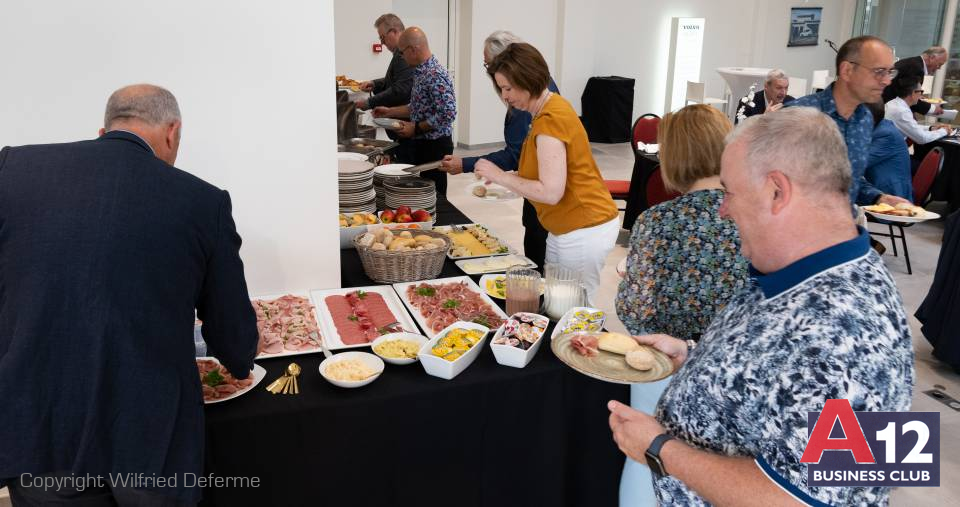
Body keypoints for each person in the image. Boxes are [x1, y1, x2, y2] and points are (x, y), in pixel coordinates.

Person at [608, 107, 914, 506]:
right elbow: (776, 373)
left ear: (776, 191)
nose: (722, 209)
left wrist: (660, 448)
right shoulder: (798, 268)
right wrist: (693, 356)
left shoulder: (854, 328)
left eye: (730, 192)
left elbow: (810, 499)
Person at [0, 84, 259, 505]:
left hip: (39, 419)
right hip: (149, 433)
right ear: (172, 132)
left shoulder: (13, 168)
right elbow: (231, 333)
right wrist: (241, 356)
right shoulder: (201, 200)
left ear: (103, 131)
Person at [614, 104, 749, 506]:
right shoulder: (750, 215)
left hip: (662, 368)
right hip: (731, 376)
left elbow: (634, 312)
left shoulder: (657, 221)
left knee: (646, 464)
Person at [478, 43, 619, 304]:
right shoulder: (546, 109)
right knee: (556, 303)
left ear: (527, 80)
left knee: (574, 310)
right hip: (567, 226)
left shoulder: (550, 119)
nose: (505, 96)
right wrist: (513, 177)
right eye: (501, 88)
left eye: (508, 88)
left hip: (582, 225)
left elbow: (551, 192)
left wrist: (500, 175)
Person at [438, 30, 559, 269]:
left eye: (488, 66)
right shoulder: (542, 93)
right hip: (544, 203)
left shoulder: (536, 107)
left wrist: (472, 165)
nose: (502, 92)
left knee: (539, 258)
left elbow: (516, 155)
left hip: (549, 210)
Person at [791, 36, 910, 208]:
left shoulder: (864, 119)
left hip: (842, 228)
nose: (887, 81)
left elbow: (848, 180)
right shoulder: (798, 115)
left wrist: (877, 197)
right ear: (847, 70)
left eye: (890, 72)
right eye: (879, 72)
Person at [372, 27, 456, 196]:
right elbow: (416, 106)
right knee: (420, 193)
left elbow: (448, 113)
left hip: (435, 145)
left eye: (402, 53)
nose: (401, 57)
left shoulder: (434, 74)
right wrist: (389, 111)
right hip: (422, 144)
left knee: (434, 195)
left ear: (413, 49)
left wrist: (415, 128)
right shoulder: (420, 71)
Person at [357, 13, 414, 163]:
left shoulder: (403, 54)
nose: (382, 43)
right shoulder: (400, 54)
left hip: (407, 127)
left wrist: (370, 102)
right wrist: (375, 84)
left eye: (382, 38)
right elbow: (395, 81)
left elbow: (400, 89)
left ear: (394, 31)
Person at [864, 101, 913, 201]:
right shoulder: (879, 127)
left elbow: (857, 163)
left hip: (890, 195)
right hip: (876, 188)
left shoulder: (885, 134)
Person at [885, 75, 951, 146]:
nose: (921, 96)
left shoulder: (894, 103)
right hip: (891, 153)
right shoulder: (901, 111)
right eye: (921, 91)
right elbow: (922, 138)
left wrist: (931, 128)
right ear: (913, 93)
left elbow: (911, 127)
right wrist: (944, 131)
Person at [882, 46, 947, 116]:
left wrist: (918, 96)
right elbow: (907, 96)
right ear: (932, 58)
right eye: (939, 64)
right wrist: (932, 108)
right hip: (888, 109)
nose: (939, 68)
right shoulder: (915, 68)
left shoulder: (913, 63)